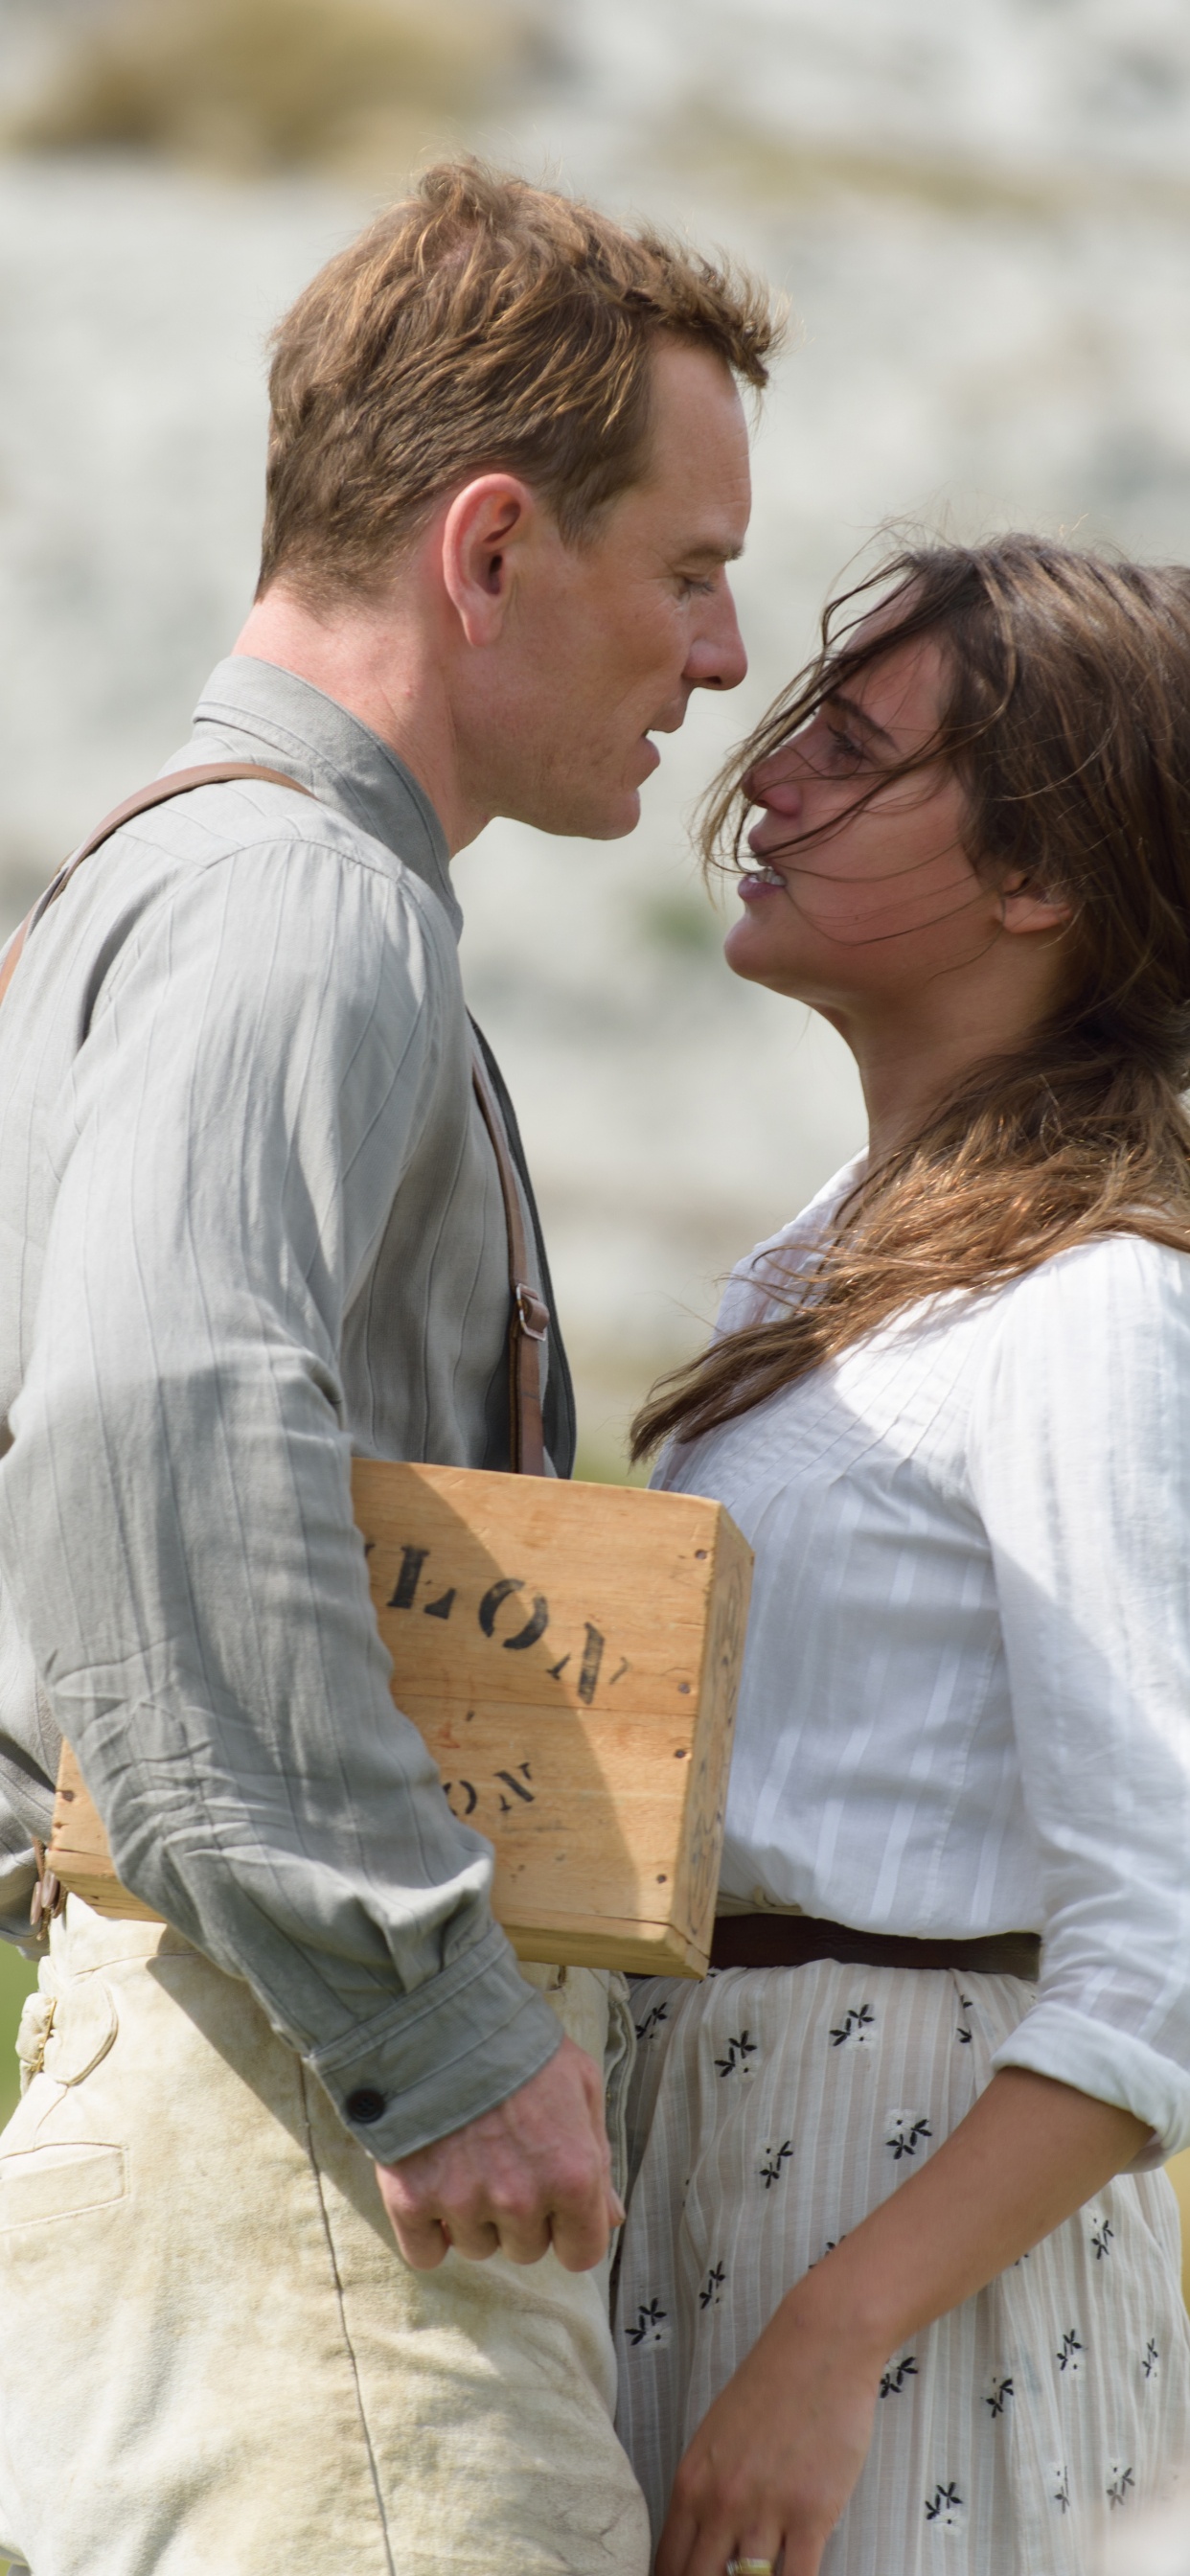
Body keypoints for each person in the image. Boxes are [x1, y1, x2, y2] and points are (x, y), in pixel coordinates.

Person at [0, 162, 775, 2576]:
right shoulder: (303, 903)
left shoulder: (165, 880)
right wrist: (427, 2024)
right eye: (688, 570)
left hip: (234, 2104)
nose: (726, 655)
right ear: (490, 551)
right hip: (323, 2181)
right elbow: (150, 1415)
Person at [614, 535, 1190, 2576]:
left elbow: (1162, 1954)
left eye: (854, 750)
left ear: (1035, 876)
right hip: (716, 2167)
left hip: (899, 2231)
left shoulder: (1092, 1304)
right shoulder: (817, 1257)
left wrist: (836, 2330)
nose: (767, 775)